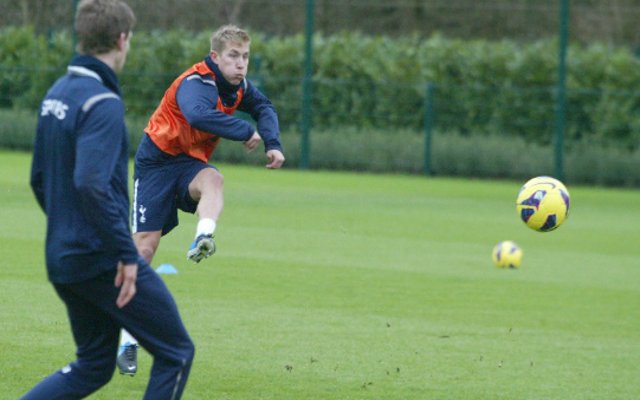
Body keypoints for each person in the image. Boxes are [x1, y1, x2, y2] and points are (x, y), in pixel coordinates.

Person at [24, 1, 194, 398]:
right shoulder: (102, 103)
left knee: (95, 366)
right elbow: (91, 183)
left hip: (64, 256)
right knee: (176, 352)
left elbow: (38, 179)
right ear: (122, 40)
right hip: (103, 259)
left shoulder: (57, 93)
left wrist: (68, 228)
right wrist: (125, 254)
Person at [116, 24, 286, 374]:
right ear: (215, 58)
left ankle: (203, 236)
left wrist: (273, 142)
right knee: (144, 250)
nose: (241, 65)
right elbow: (197, 114)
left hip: (189, 163)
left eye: (245, 57)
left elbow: (264, 107)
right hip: (156, 163)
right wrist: (244, 130)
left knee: (214, 180)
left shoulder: (238, 88)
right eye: (233, 57)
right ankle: (126, 340)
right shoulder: (197, 82)